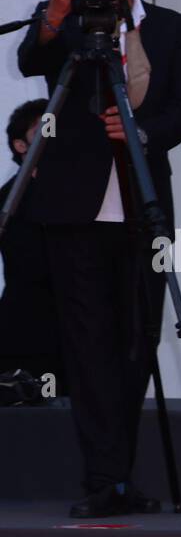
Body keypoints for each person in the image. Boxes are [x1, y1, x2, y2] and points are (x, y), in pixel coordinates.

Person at [16, 0, 181, 517]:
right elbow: (28, 61)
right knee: (88, 344)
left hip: (143, 207)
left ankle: (118, 470)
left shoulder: (171, 28)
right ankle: (108, 480)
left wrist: (141, 132)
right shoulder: (65, 23)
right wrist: (60, 8)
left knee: (136, 342)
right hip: (74, 210)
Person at [0, 99, 63, 387]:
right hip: (27, 335)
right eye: (44, 129)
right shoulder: (10, 201)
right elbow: (30, 264)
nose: (54, 135)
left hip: (72, 336)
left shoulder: (80, 197)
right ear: (20, 145)